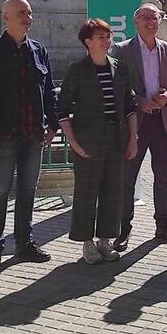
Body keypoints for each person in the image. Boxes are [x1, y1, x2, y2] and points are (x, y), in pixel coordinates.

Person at [0, 0, 59, 271]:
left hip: (34, 133)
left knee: (28, 190)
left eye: (30, 12)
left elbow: (47, 90)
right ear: (6, 17)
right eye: (21, 13)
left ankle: (25, 243)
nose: (28, 17)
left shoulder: (39, 51)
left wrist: (53, 124)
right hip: (5, 136)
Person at [58, 19, 139, 264]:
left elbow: (130, 105)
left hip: (116, 139)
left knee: (113, 191)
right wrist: (73, 142)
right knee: (86, 191)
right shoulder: (78, 70)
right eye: (101, 37)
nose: (107, 41)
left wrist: (133, 138)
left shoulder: (119, 67)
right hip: (88, 141)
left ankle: (105, 239)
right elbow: (62, 109)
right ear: (88, 42)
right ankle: (86, 242)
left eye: (108, 36)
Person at [111, 3, 167, 250]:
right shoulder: (122, 50)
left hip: (162, 122)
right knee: (127, 178)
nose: (151, 22)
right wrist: (139, 102)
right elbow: (117, 86)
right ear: (136, 22)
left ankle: (163, 225)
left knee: (163, 177)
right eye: (145, 17)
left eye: (155, 18)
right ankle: (123, 229)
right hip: (135, 123)